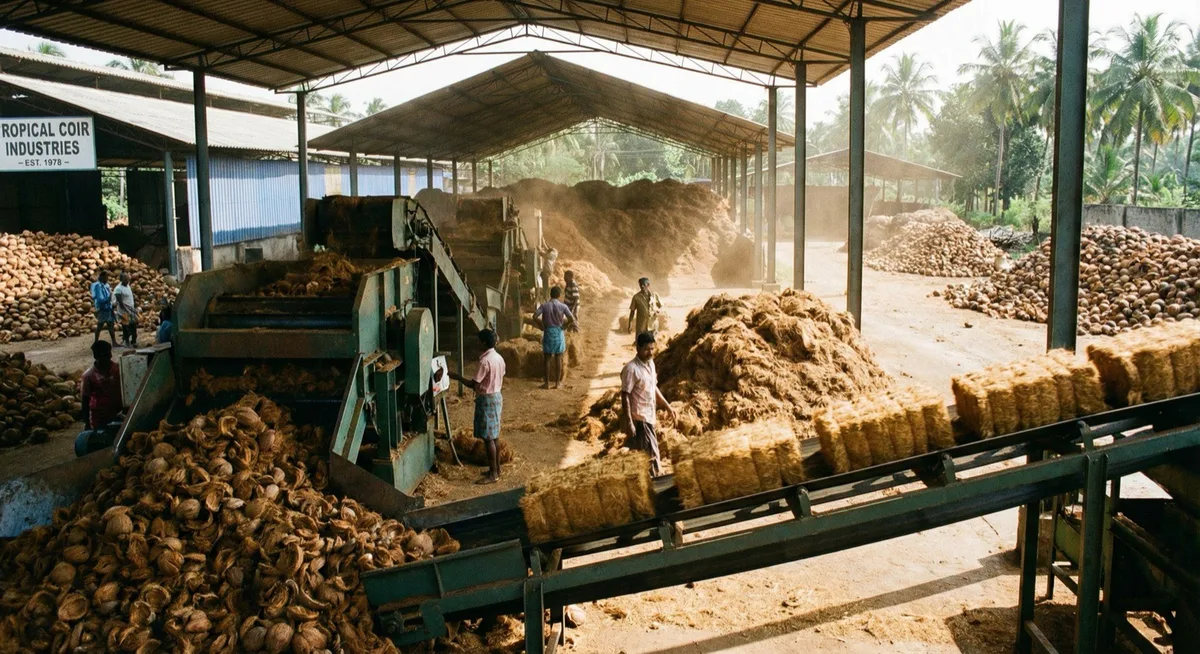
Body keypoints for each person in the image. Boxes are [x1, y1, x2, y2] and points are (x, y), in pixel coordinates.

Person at [449, 329, 507, 484]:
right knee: (494, 435)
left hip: (487, 399)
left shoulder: (484, 361)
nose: (476, 344)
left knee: (488, 438)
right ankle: (497, 469)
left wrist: (455, 376)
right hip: (496, 396)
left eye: (477, 341)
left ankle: (493, 475)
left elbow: (473, 384)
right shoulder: (499, 358)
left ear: (483, 343)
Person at [621, 331, 676, 476]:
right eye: (646, 349)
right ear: (637, 348)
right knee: (652, 455)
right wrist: (630, 422)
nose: (650, 352)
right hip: (640, 418)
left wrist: (668, 406)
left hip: (650, 415)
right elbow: (625, 395)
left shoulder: (651, 363)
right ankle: (657, 482)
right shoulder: (631, 369)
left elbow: (653, 387)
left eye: (652, 349)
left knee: (643, 454)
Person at [534, 286, 575, 389]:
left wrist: (541, 325)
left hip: (548, 332)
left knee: (547, 358)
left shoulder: (544, 305)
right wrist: (565, 326)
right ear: (559, 295)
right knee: (558, 357)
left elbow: (535, 316)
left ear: (550, 294)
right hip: (559, 332)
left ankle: (547, 383)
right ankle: (557, 383)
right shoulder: (563, 306)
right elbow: (571, 318)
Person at [81, 340, 122, 432]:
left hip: (118, 413)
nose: (109, 357)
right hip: (99, 418)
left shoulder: (117, 369)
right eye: (105, 355)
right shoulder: (89, 376)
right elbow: (85, 400)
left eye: (109, 354)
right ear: (96, 356)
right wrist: (87, 423)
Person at [90, 270, 116, 344]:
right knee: (99, 326)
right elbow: (100, 299)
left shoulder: (106, 285)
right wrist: (108, 298)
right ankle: (96, 342)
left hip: (108, 308)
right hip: (102, 309)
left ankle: (114, 342)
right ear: (102, 277)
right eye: (106, 277)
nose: (107, 279)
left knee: (111, 325)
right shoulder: (99, 286)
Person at [113, 272, 137, 347]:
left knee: (133, 325)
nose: (127, 280)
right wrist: (127, 310)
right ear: (121, 279)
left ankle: (133, 341)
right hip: (124, 311)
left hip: (131, 308)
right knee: (125, 327)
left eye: (128, 278)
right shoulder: (118, 289)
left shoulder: (128, 285)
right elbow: (120, 302)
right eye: (125, 279)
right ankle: (127, 341)